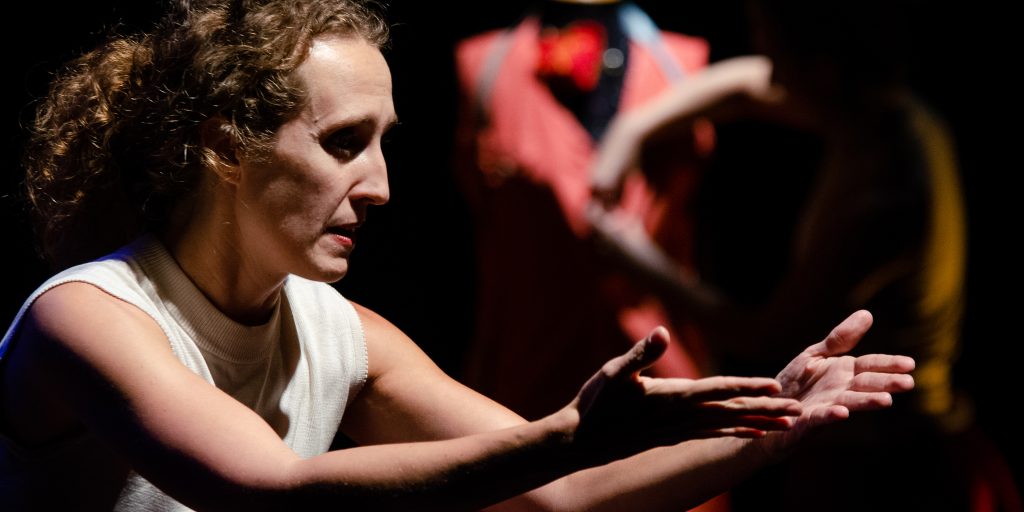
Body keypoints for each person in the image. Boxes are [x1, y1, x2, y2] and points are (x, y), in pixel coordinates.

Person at [0, 1, 915, 510]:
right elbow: (272, 494)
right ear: (225, 147)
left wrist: (769, 426)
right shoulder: (85, 317)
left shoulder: (339, 332)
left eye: (385, 143)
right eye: (344, 143)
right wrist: (565, 434)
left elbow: (561, 499)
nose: (380, 186)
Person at [585, 1, 1014, 509]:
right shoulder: (877, 115)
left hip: (885, 460)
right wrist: (631, 128)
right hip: (867, 439)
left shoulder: (884, 189)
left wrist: (635, 254)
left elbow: (763, 333)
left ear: (822, 69)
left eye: (776, 57)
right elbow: (745, 84)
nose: (767, 71)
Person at [453, 0, 716, 424]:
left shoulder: (682, 62)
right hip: (526, 386)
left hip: (667, 375)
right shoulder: (483, 66)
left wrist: (634, 128)